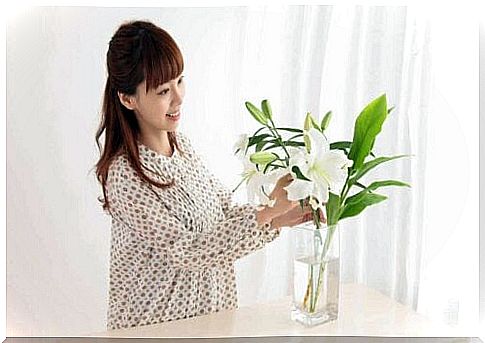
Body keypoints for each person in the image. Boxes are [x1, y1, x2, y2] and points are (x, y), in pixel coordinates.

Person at [95, 20, 324, 330]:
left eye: (180, 81)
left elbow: (224, 214)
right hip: (156, 328)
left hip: (210, 320)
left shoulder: (182, 148)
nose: (178, 97)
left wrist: (277, 219)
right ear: (128, 99)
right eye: (163, 90)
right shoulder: (124, 176)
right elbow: (188, 251)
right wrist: (269, 210)